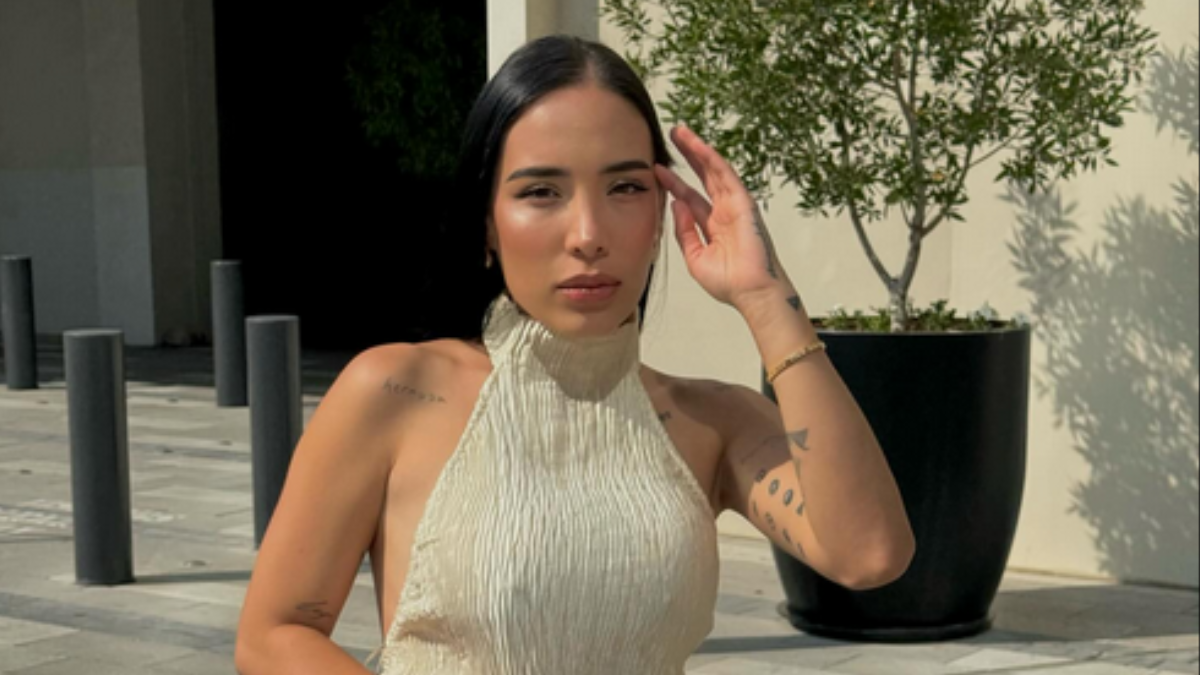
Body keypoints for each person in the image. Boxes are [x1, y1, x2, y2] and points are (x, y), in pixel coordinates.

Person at [234, 34, 914, 675]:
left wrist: (767, 300)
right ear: (486, 223)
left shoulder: (711, 422)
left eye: (625, 188)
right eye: (541, 192)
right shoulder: (396, 391)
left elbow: (870, 553)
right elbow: (273, 636)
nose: (588, 233)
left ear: (661, 216)